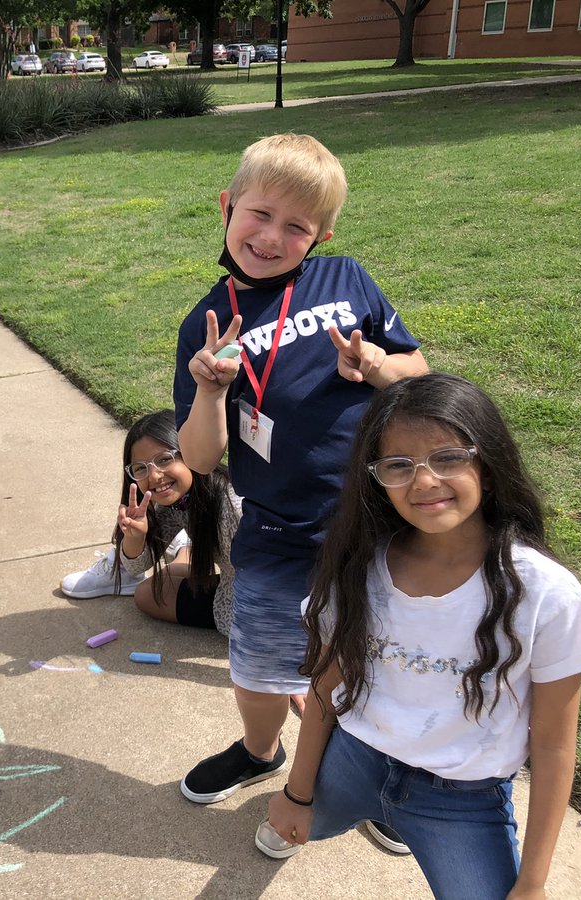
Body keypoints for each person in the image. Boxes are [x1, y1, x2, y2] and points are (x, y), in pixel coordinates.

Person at [257, 373, 581, 898]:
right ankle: (329, 814)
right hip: (353, 759)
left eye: (449, 456)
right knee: (297, 824)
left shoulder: (546, 595)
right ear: (376, 478)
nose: (425, 481)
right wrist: (297, 794)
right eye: (398, 465)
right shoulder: (359, 566)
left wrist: (532, 882)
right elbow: (326, 683)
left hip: (461, 800)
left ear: (489, 459)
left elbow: (552, 746)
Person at [174, 133, 429, 807]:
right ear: (228, 205)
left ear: (321, 235)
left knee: (381, 663)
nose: (271, 236)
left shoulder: (349, 281)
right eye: (259, 213)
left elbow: (418, 372)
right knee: (256, 668)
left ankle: (384, 778)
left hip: (378, 524)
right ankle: (261, 752)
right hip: (279, 531)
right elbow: (200, 460)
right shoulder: (206, 321)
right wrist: (209, 390)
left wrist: (377, 366)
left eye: (297, 226)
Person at [60, 410, 240, 635]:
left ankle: (185, 548)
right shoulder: (175, 502)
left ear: (190, 453)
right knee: (146, 593)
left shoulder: (232, 508)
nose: (154, 476)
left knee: (151, 594)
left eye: (164, 459)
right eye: (141, 468)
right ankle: (185, 548)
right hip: (234, 585)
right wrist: (135, 538)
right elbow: (136, 566)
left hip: (257, 605)